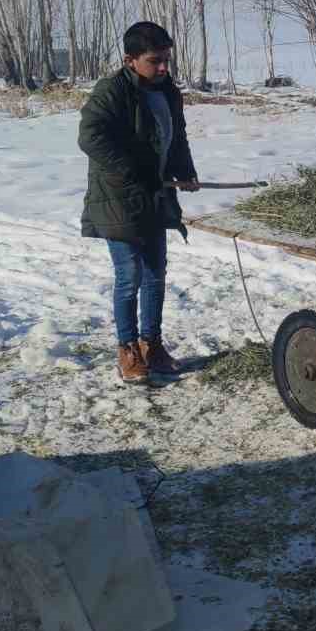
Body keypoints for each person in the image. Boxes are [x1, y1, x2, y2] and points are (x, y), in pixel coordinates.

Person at [78, 21, 200, 384]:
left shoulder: (168, 91)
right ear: (130, 60)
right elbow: (90, 137)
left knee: (156, 274)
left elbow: (175, 137)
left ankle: (152, 345)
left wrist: (185, 170)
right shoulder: (111, 91)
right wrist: (134, 170)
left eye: (166, 60)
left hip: (156, 194)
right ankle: (127, 349)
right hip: (119, 197)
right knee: (129, 277)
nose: (163, 68)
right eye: (155, 61)